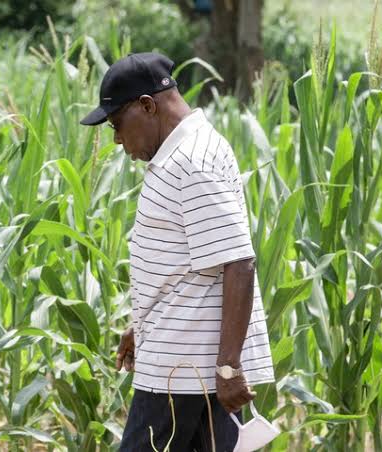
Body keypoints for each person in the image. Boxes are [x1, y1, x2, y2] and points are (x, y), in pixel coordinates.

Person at [80, 52, 275, 451]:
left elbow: (238, 262)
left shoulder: (192, 162)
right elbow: (188, 265)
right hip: (184, 364)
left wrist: (228, 366)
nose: (117, 139)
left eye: (117, 124)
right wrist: (143, 326)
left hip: (181, 374)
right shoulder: (183, 154)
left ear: (147, 106)